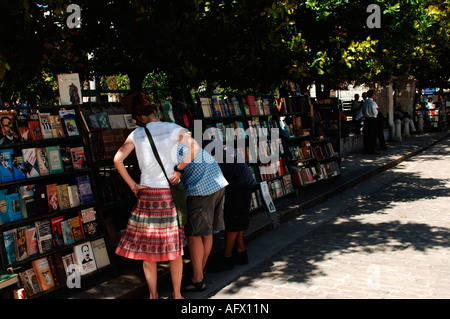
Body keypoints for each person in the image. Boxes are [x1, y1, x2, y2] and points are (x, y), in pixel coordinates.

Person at [114, 93, 199, 299]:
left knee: (147, 251)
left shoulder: (136, 134)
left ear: (139, 117)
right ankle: (177, 295)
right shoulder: (172, 128)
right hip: (168, 195)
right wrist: (179, 169)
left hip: (147, 196)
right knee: (174, 250)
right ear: (154, 111)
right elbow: (194, 147)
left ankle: (153, 295)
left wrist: (134, 185)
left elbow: (118, 159)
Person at [177, 139, 228, 292]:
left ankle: (198, 279)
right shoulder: (182, 140)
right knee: (207, 232)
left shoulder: (168, 149)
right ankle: (199, 272)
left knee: (194, 235)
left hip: (201, 188)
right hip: (216, 182)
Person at [202, 139, 255, 272]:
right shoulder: (213, 146)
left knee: (232, 221)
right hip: (244, 181)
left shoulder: (205, 152)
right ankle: (241, 251)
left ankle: (227, 257)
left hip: (238, 185)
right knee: (239, 220)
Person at [362, 90, 379, 154]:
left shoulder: (365, 102)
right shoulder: (372, 103)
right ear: (372, 95)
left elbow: (363, 111)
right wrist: (377, 111)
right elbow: (374, 112)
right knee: (372, 135)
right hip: (372, 119)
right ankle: (372, 149)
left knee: (367, 135)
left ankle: (367, 149)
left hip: (366, 119)